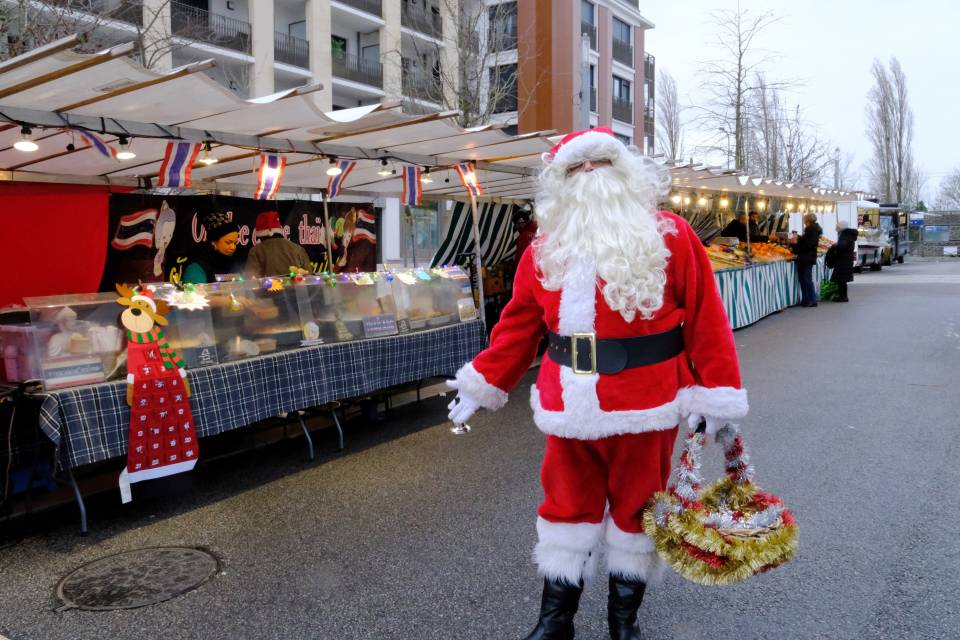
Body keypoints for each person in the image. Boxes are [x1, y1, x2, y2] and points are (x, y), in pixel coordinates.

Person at [445, 127, 748, 640]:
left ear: (624, 172)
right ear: (560, 184)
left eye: (600, 164)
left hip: (646, 402)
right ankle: (555, 620)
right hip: (568, 404)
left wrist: (716, 392)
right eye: (575, 169)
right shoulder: (545, 249)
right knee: (565, 507)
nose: (588, 176)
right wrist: (481, 385)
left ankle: (622, 621)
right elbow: (519, 326)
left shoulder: (670, 235)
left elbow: (705, 320)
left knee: (637, 511)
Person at [245, 211, 311, 278]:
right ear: (279, 231)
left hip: (269, 288)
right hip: (296, 288)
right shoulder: (298, 249)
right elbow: (309, 276)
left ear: (260, 234)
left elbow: (251, 280)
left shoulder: (256, 251)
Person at [183, 211, 240, 284]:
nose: (233, 247)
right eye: (228, 242)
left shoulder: (233, 264)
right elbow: (193, 294)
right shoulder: (196, 268)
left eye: (235, 243)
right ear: (213, 242)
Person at [789, 212, 823, 307]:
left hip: (806, 257)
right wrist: (799, 238)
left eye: (804, 219)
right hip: (807, 257)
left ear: (807, 220)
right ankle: (806, 299)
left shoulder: (811, 230)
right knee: (804, 279)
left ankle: (811, 299)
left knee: (806, 279)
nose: (804, 221)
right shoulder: (812, 230)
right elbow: (807, 242)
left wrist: (795, 245)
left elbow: (807, 245)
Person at [828, 220, 858, 302]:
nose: (835, 229)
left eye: (837, 227)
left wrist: (836, 246)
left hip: (843, 260)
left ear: (841, 227)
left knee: (841, 280)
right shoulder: (848, 235)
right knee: (842, 280)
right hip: (846, 260)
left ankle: (843, 297)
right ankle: (843, 296)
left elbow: (842, 246)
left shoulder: (844, 235)